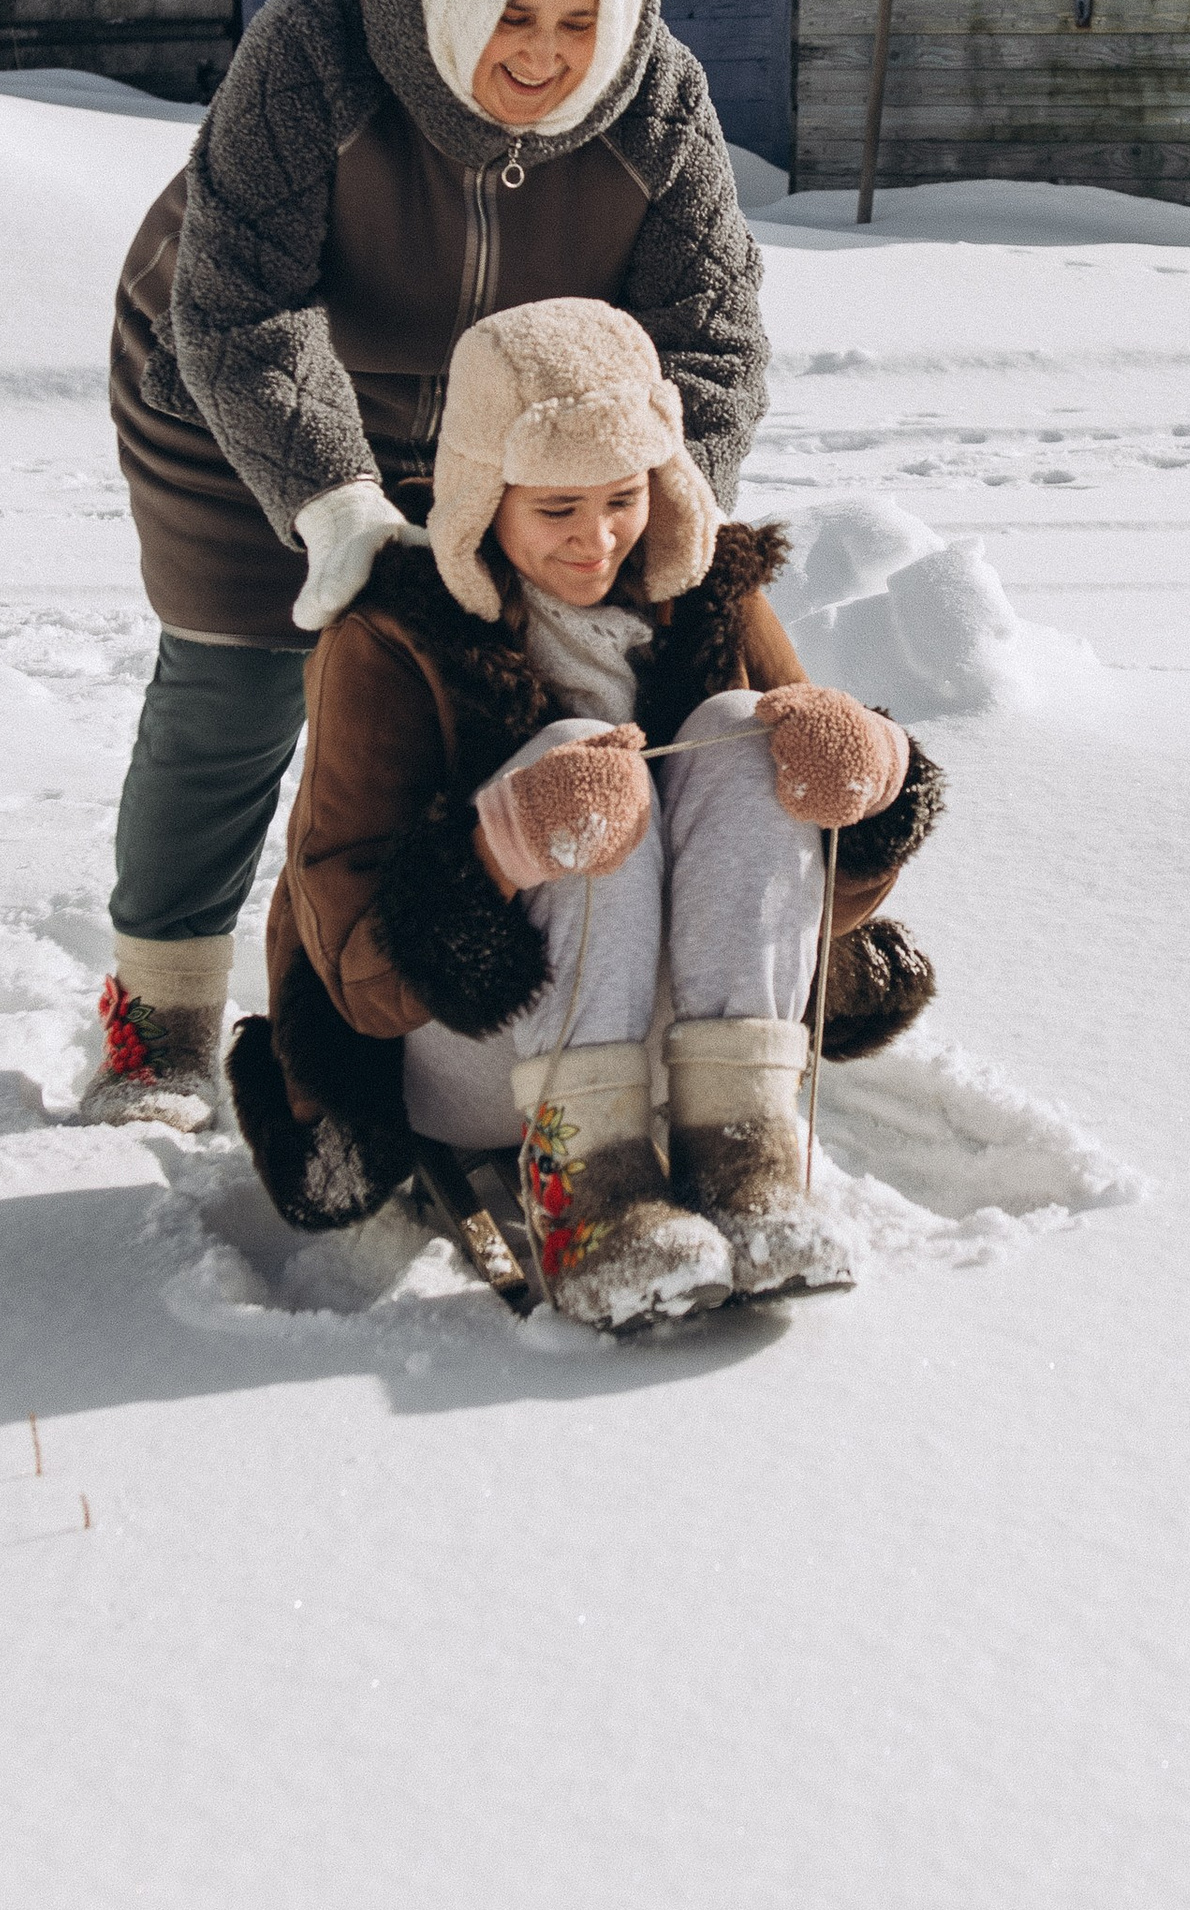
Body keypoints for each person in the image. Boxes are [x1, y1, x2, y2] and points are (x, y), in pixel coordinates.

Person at [84, 0, 766, 1130]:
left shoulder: (656, 101)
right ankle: (159, 1009)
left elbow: (711, 333)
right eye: (515, 11)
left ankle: (483, 1021)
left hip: (505, 432)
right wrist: (338, 507)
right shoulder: (318, 50)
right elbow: (240, 305)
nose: (544, 52)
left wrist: (676, 490)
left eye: (580, 19)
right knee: (237, 682)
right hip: (228, 386)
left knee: (501, 693)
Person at [225, 300, 944, 1331]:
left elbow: (795, 896)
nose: (598, 538)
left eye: (622, 497)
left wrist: (864, 788)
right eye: (556, 508)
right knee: (574, 765)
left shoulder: (710, 589)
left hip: (695, 1030)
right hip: (482, 1049)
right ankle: (594, 1200)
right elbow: (353, 970)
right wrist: (502, 848)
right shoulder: (389, 636)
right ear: (483, 496)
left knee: (750, 728)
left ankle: (746, 1164)